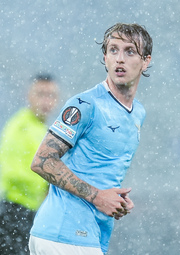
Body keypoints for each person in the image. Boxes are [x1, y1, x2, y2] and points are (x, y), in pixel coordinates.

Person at [28, 23, 153, 255]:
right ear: (105, 57)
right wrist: (98, 196)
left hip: (88, 235)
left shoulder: (138, 113)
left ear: (145, 61)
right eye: (113, 50)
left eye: (130, 51)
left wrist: (115, 199)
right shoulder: (85, 105)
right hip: (65, 233)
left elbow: (99, 170)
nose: (120, 59)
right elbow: (42, 161)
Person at [0, 74, 59, 254]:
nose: (46, 101)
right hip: (16, 212)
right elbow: (12, 174)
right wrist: (51, 185)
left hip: (29, 214)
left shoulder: (41, 128)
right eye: (40, 94)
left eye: (51, 95)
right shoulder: (21, 126)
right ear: (28, 95)